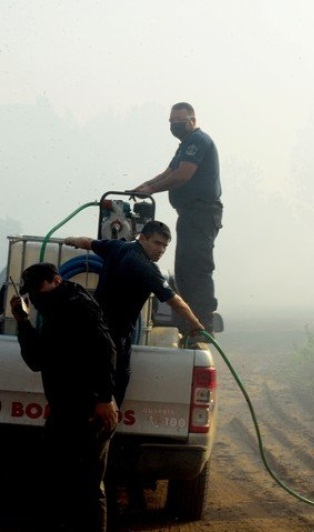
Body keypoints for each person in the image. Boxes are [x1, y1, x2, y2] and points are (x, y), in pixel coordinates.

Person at [10, 262, 118, 532]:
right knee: (59, 483)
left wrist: (104, 398)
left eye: (39, 290)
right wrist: (23, 321)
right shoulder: (58, 308)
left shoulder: (76, 307)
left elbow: (107, 350)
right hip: (67, 411)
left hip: (89, 411)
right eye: (31, 293)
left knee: (87, 488)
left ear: (56, 280)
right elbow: (38, 358)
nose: (35, 297)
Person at [65, 220, 205, 406]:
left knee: (87, 387)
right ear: (143, 237)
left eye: (165, 245)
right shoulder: (145, 267)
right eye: (156, 243)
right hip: (115, 336)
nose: (161, 250)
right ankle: (106, 426)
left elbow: (88, 242)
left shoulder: (117, 247)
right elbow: (175, 302)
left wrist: (71, 239)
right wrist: (196, 324)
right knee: (115, 388)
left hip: (93, 328)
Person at [131, 101, 222, 336]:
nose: (175, 125)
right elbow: (169, 172)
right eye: (171, 122)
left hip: (202, 213)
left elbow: (182, 175)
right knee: (183, 270)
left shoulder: (198, 141)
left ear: (193, 120)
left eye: (179, 121)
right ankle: (187, 323)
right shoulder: (184, 146)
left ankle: (201, 326)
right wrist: (147, 184)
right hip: (189, 214)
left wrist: (152, 190)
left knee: (197, 269)